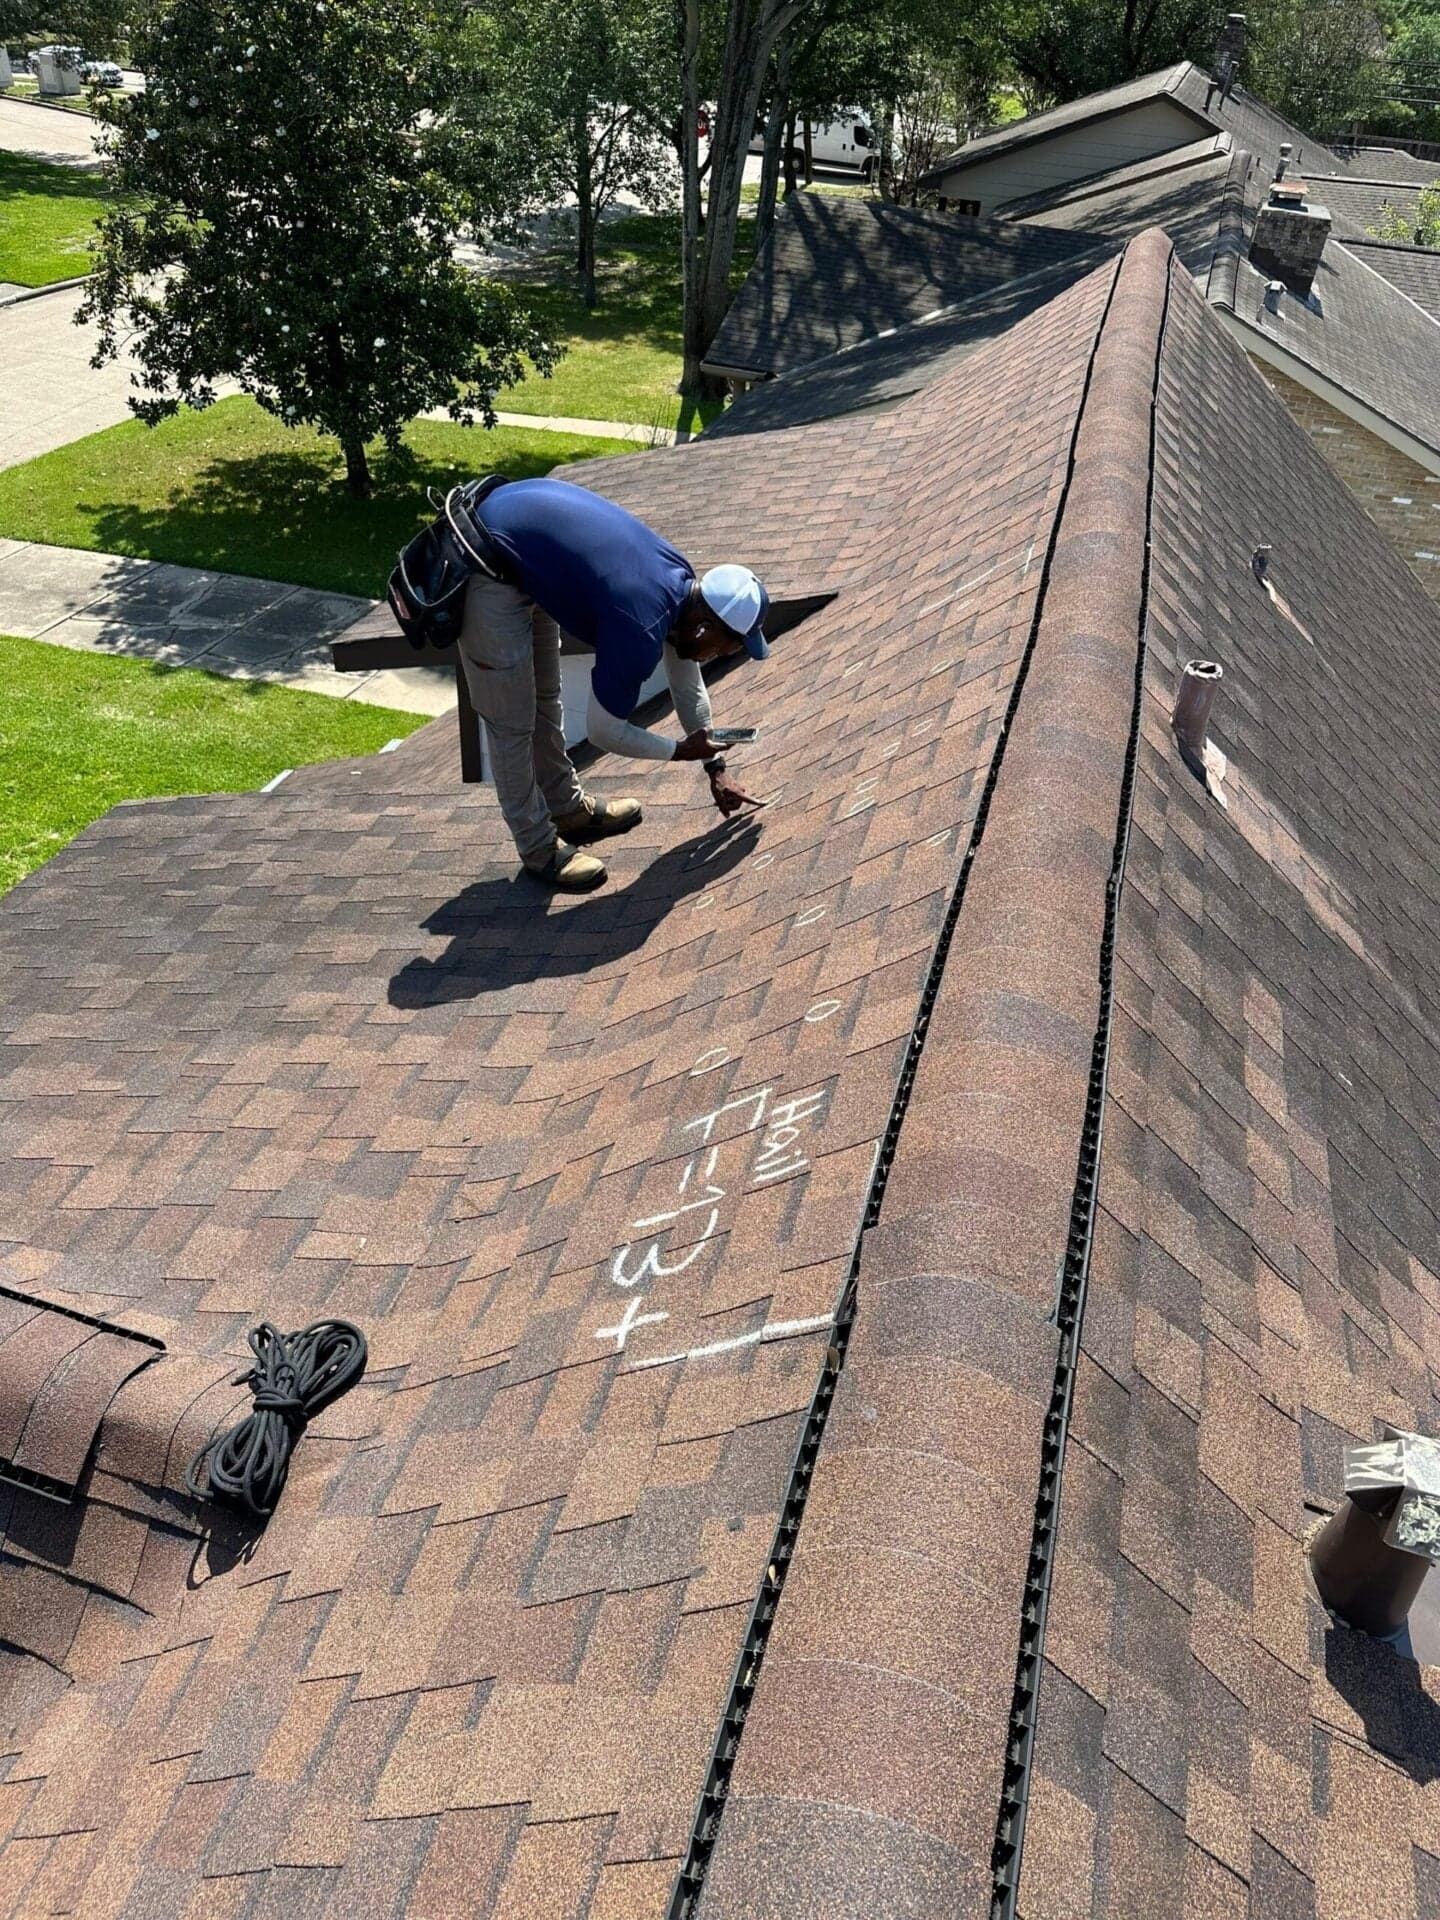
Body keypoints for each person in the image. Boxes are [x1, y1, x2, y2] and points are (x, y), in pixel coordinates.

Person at [457, 477, 768, 892]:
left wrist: (715, 767)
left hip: (521, 550)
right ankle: (539, 850)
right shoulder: (641, 623)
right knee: (512, 722)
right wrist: (678, 752)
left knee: (546, 703)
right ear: (706, 625)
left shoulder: (684, 594)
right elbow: (606, 731)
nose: (721, 656)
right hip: (487, 564)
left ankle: (567, 809)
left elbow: (685, 675)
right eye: (727, 647)